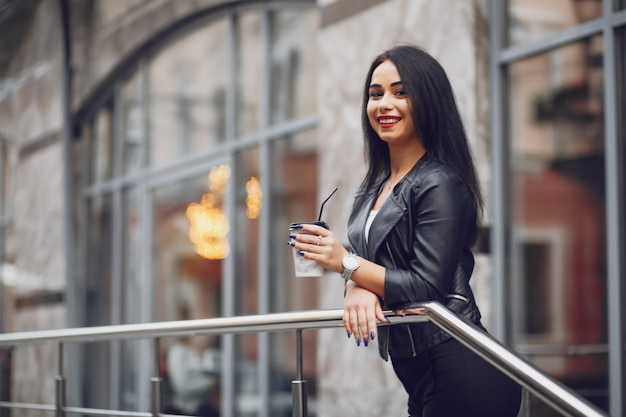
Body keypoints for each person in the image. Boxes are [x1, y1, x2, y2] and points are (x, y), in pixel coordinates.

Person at [287, 44, 521, 417]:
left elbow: (427, 286)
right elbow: (370, 261)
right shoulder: (373, 187)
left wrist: (344, 265)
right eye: (375, 94)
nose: (384, 104)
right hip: (416, 370)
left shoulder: (439, 182)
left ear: (428, 100)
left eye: (401, 92)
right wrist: (354, 285)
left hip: (462, 363)